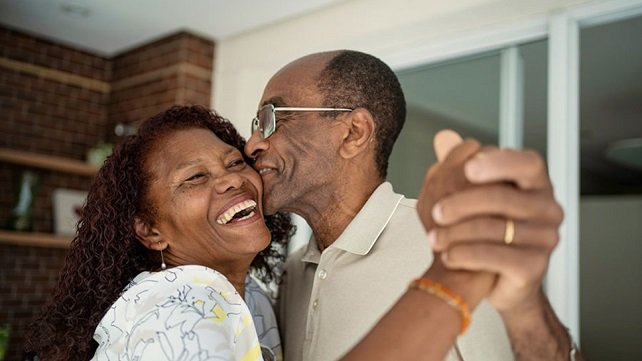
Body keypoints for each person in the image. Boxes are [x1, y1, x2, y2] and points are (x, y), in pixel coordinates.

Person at [23, 105, 505, 361]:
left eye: (234, 162)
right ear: (149, 231)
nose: (233, 176)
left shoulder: (256, 293)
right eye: (194, 178)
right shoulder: (176, 303)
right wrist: (449, 283)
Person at [245, 50, 583, 361]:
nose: (252, 144)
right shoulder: (293, 272)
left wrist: (526, 308)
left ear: (353, 133)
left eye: (271, 118)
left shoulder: (446, 246)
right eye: (256, 125)